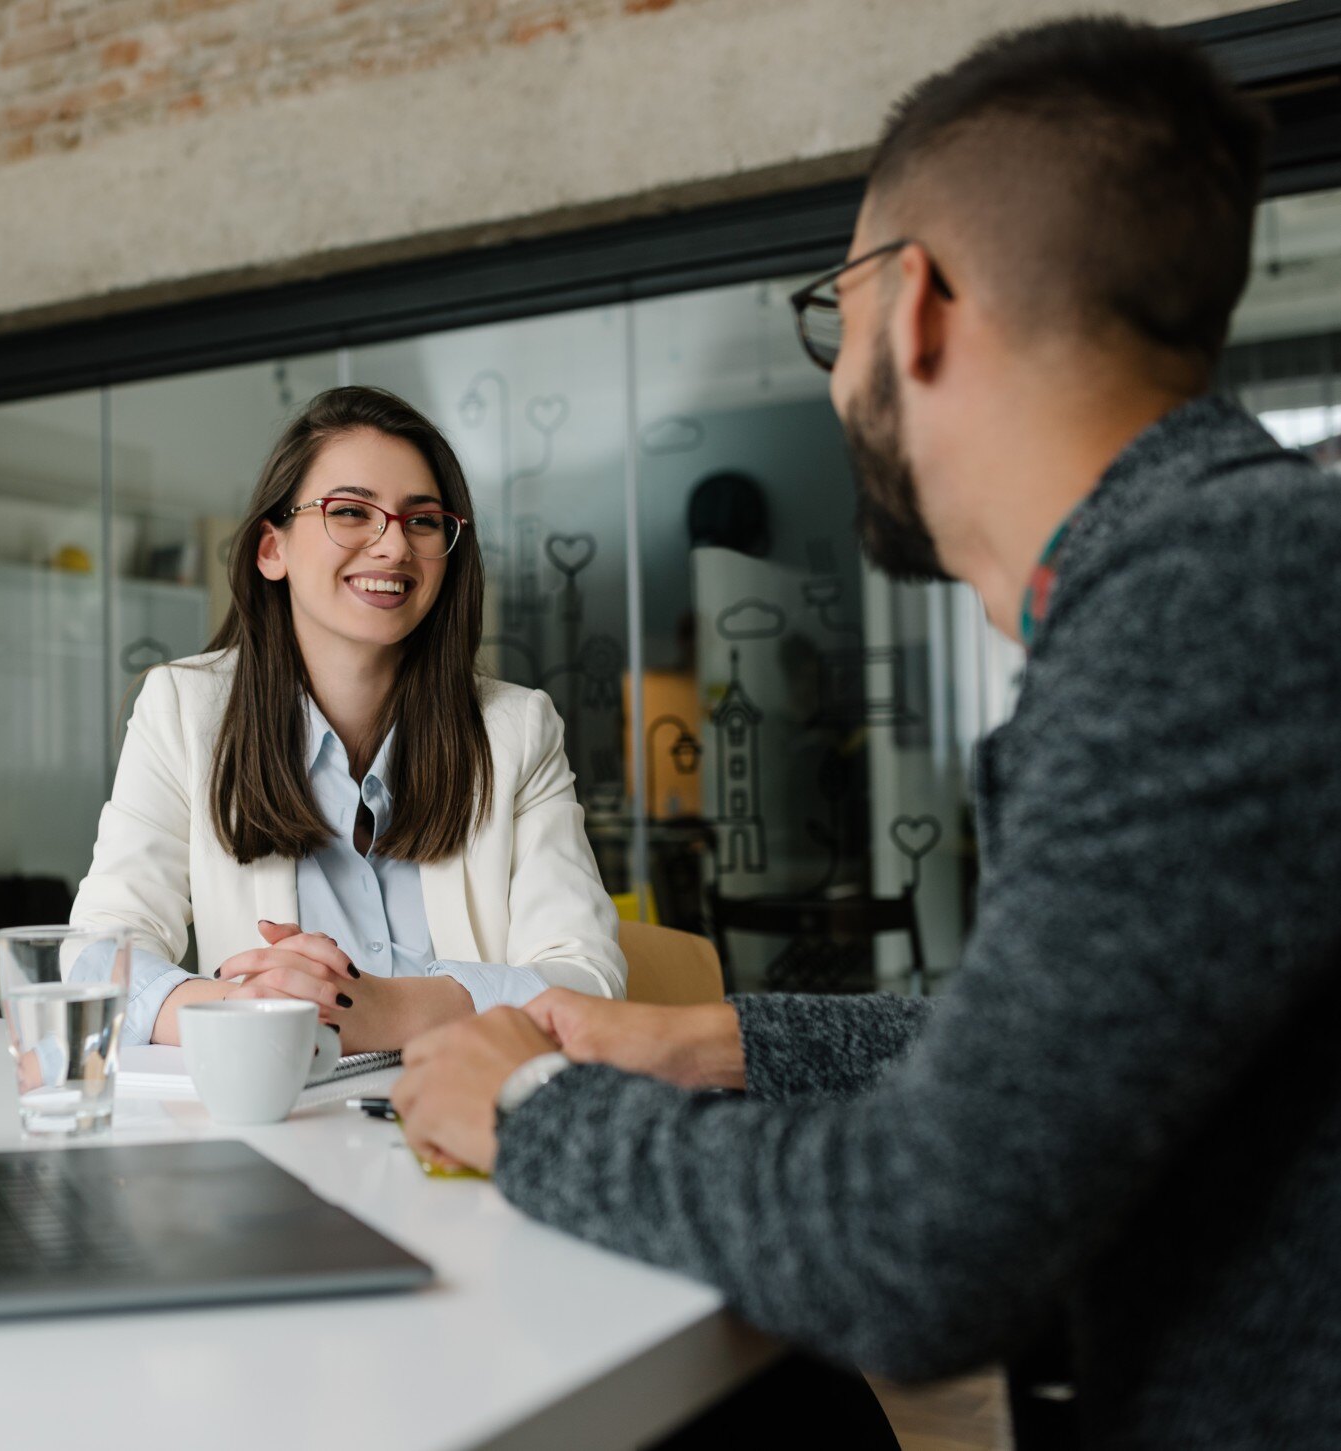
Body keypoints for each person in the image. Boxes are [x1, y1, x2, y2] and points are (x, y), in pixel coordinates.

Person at [394, 17, 1341, 1448]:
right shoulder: (1232, 572)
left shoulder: (1209, 611)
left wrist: (524, 1106)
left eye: (831, 318)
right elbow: (1033, 1057)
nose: (838, 383)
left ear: (913, 306)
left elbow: (917, 1246)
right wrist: (725, 1042)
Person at [69, 386, 622, 1052]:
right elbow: (97, 957)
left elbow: (588, 981)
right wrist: (253, 1005)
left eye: (421, 520)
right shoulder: (184, 711)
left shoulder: (518, 731)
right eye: (351, 512)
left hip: (472, 1119)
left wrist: (388, 1008)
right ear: (270, 549)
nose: (392, 546)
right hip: (281, 1123)